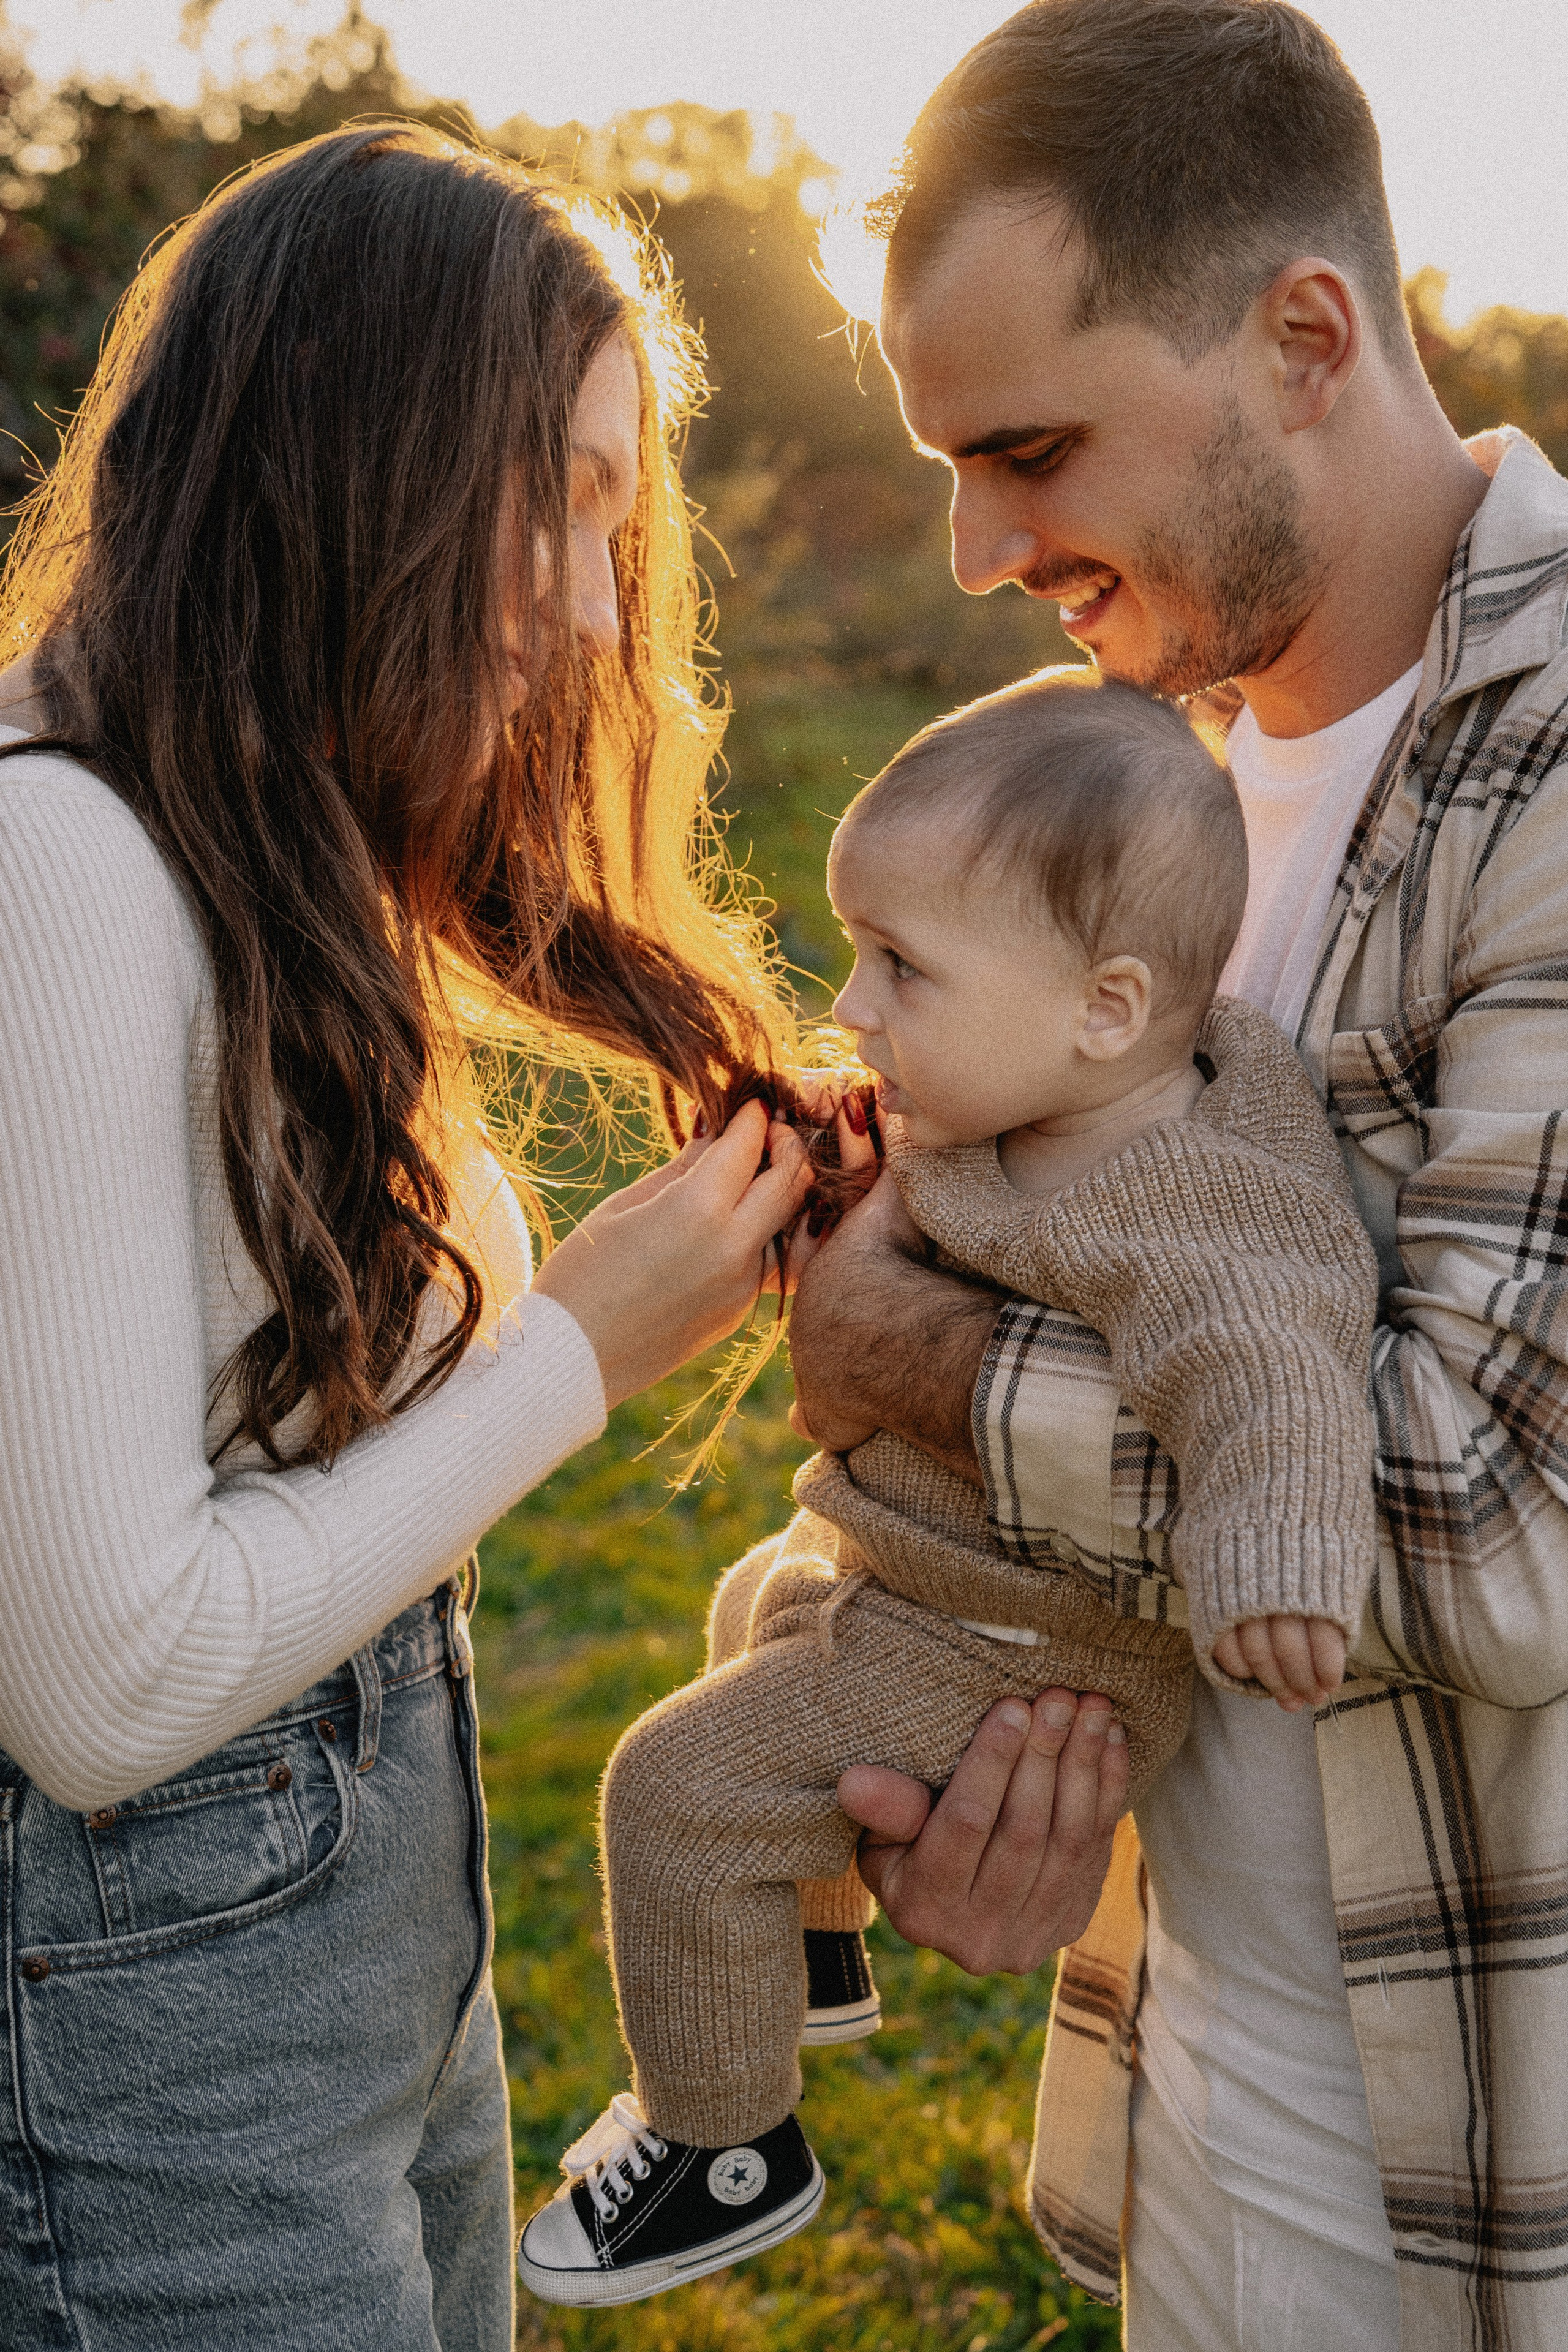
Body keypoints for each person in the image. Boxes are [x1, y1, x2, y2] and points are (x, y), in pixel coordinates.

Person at [0, 122, 836, 2351]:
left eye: (612, 517)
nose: (589, 600)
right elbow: (99, 1687)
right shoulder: (56, 877)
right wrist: (576, 1350)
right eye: (555, 495)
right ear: (353, 453)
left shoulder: (270, 846)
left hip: (380, 1992)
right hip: (152, 2077)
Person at [788, 2, 1568, 2344]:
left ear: (1304, 336)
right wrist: (936, 1735)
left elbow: (1508, 1524)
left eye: (1031, 447)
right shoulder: (1152, 776)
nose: (977, 547)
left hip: (1478, 2151)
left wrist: (915, 1355)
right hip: (1201, 2080)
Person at [517, 666, 1384, 2309]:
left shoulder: (1189, 1199)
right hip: (938, 1587)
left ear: (1108, 1005)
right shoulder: (1037, 1095)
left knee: (670, 1786)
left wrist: (1278, 1560)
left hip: (1021, 1654)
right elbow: (929, 1161)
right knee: (753, 1600)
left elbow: (1272, 1364)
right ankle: (813, 1937)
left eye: (902, 966)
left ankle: (723, 2144)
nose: (852, 1002)